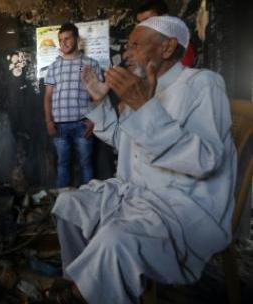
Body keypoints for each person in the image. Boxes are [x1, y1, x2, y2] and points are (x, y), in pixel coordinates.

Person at [47, 16, 236, 304]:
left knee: (114, 240)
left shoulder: (203, 84)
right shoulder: (142, 88)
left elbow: (205, 160)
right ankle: (83, 286)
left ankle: (81, 295)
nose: (127, 52)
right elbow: (125, 143)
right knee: (68, 206)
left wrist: (143, 106)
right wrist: (99, 101)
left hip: (181, 207)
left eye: (135, 45)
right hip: (134, 194)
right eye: (128, 46)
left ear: (168, 47)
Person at [44, 22, 103, 187]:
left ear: (77, 39)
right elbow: (48, 97)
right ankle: (64, 203)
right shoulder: (54, 67)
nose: (64, 43)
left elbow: (98, 95)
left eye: (67, 38)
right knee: (62, 164)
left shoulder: (91, 64)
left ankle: (90, 199)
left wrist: (94, 120)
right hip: (59, 126)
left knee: (86, 164)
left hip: (83, 123)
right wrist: (49, 121)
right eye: (61, 40)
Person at [135, 0, 196, 67]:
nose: (142, 26)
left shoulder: (180, 44)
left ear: (165, 18)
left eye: (148, 21)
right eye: (140, 23)